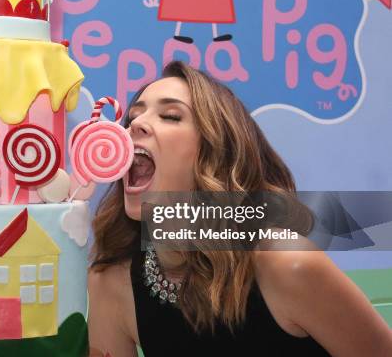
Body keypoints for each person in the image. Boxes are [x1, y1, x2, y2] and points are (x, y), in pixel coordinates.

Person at [87, 61, 392, 356]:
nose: (135, 124)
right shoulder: (111, 281)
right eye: (132, 117)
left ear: (216, 153)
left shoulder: (286, 263)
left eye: (170, 116)